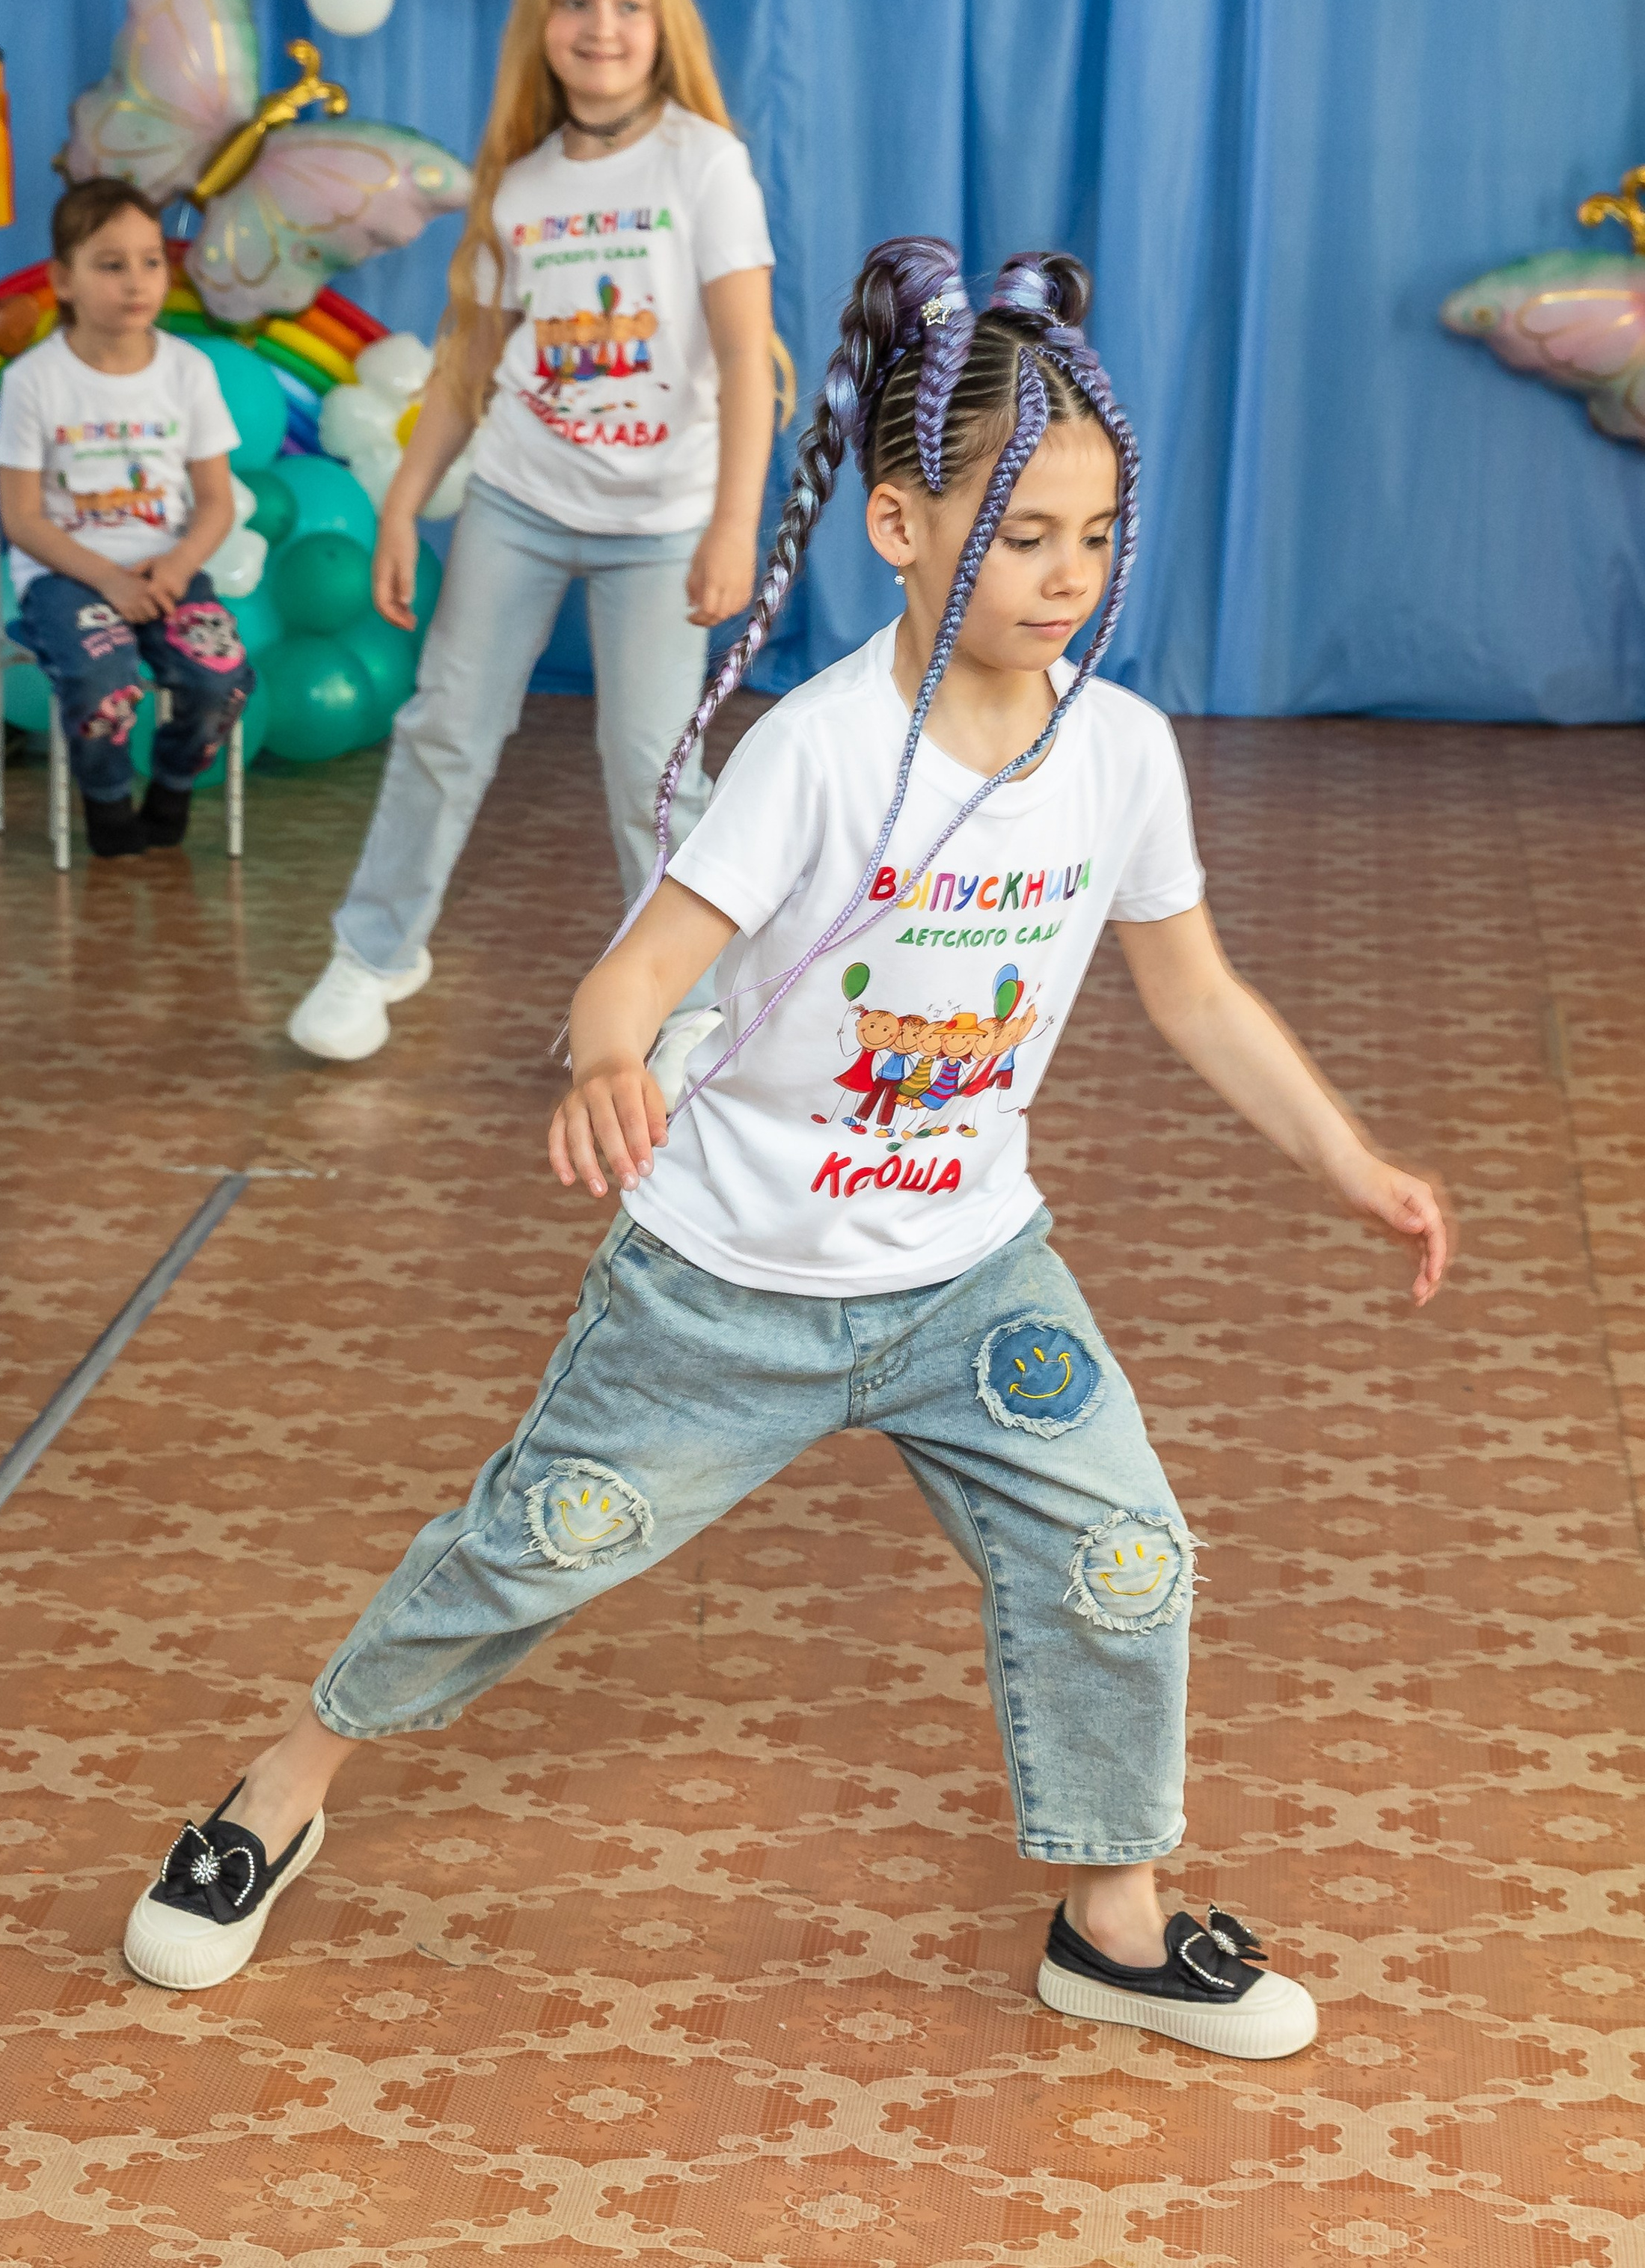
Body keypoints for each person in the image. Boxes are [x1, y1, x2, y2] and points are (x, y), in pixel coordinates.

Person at [121, 240, 1447, 2059]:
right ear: (899, 526)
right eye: (1019, 531)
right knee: (531, 1546)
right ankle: (279, 1787)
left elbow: (1196, 995)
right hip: (721, 1291)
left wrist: (1350, 1162)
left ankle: (1109, 1924)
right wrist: (606, 1062)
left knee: (1122, 1552)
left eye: (1089, 534)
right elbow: (638, 974)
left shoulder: (1122, 756)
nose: (1062, 575)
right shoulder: (813, 755)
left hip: (969, 1282)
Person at [288, 0, 776, 1078]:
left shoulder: (705, 166)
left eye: (626, 4)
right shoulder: (522, 186)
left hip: (662, 524)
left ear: (663, 24)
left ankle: (691, 1005)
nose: (600, 28)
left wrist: (730, 530)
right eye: (574, 4)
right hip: (518, 498)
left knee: (652, 770)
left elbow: (751, 365)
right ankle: (375, 950)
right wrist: (406, 499)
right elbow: (466, 369)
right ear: (541, 24)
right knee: (445, 728)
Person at [0, 178, 252, 859]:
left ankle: (171, 787)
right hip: (68, 575)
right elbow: (20, 518)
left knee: (219, 678)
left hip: (168, 571)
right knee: (103, 681)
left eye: (151, 261)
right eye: (111, 265)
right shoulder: (34, 381)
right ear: (63, 280)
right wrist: (109, 581)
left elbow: (217, 501)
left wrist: (177, 567)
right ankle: (106, 804)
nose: (136, 281)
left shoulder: (188, 372)